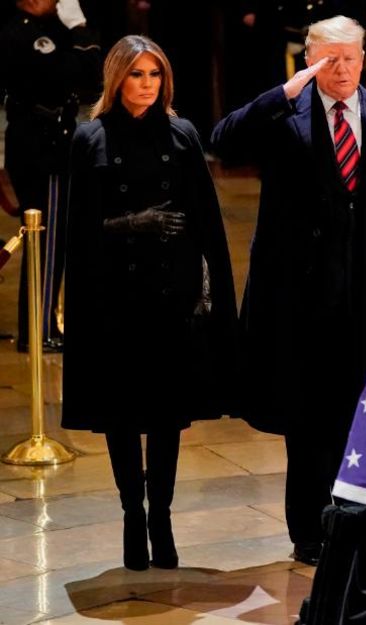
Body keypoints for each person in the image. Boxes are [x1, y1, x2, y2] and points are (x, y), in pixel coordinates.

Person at [210, 15, 366, 565]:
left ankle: (355, 519)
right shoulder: (284, 113)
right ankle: (308, 529)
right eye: (329, 59)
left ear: (364, 59)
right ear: (310, 61)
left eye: (351, 58)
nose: (342, 69)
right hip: (300, 292)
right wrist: (284, 92)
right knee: (307, 415)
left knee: (359, 408)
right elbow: (223, 141)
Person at [62, 35, 238, 571]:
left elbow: (208, 221)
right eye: (137, 75)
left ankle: (160, 516)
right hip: (112, 298)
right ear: (117, 79)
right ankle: (131, 515)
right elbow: (78, 229)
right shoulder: (90, 138)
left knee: (167, 415)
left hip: (171, 295)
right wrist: (130, 223)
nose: (146, 85)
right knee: (121, 415)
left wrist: (213, 296)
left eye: (154, 75)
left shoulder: (182, 134)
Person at [0, 0, 101, 351]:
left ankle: (40, 325)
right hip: (43, 143)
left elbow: (90, 74)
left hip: (43, 138)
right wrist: (78, 27)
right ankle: (39, 329)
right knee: (48, 239)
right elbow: (79, 69)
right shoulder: (26, 34)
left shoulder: (40, 29)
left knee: (49, 240)